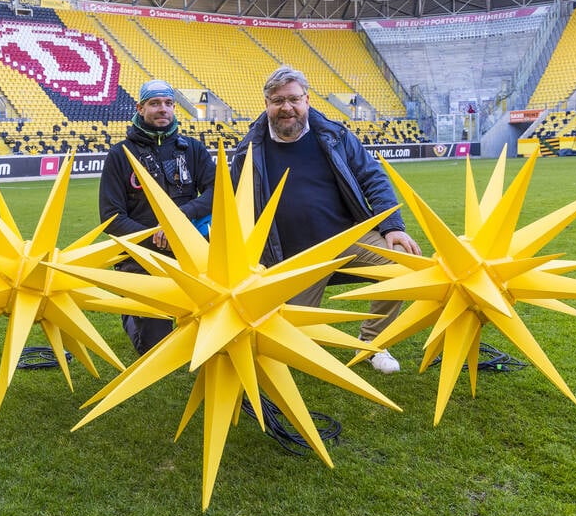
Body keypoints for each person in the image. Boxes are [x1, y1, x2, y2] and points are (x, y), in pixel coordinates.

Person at [230, 66, 422, 374]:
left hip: (346, 239)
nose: (286, 107)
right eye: (277, 100)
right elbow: (236, 207)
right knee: (289, 347)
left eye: (293, 99)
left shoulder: (334, 135)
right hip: (293, 256)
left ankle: (373, 343)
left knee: (402, 263)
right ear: (266, 103)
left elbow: (373, 177)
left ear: (307, 99)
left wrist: (392, 227)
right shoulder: (248, 151)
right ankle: (295, 330)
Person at [99, 79, 215, 355]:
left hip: (192, 250)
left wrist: (180, 221)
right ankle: (132, 310)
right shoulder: (120, 155)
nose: (162, 109)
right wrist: (156, 237)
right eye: (154, 103)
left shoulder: (193, 149)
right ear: (140, 108)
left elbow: (217, 191)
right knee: (156, 350)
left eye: (168, 103)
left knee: (217, 326)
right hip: (144, 257)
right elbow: (111, 217)